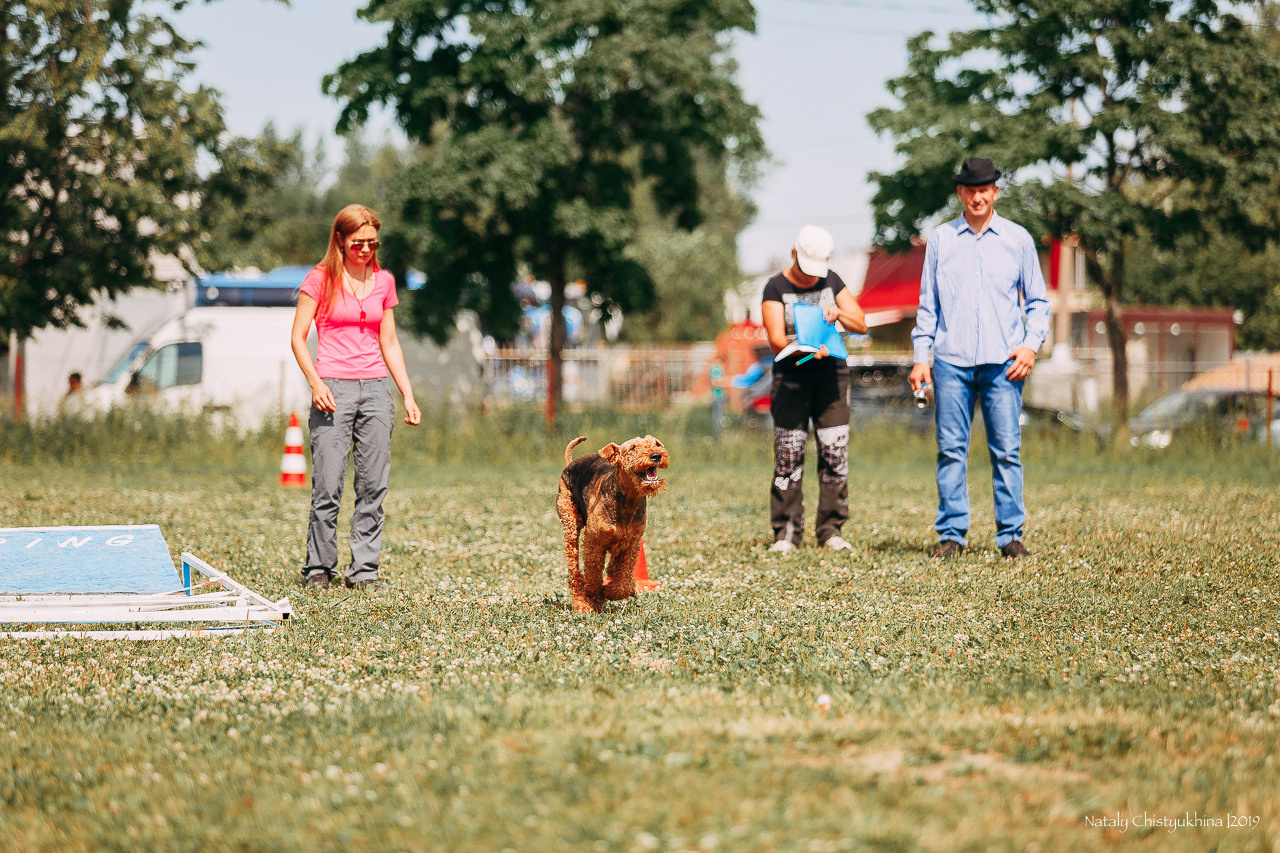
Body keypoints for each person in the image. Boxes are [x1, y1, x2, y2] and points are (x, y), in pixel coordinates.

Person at [908, 157, 1050, 559]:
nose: (977, 196)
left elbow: (1038, 302)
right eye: (970, 189)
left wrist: (1030, 345)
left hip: (1003, 362)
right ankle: (951, 535)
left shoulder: (1018, 239)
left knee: (1006, 450)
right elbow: (927, 306)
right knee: (951, 449)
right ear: (960, 193)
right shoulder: (940, 240)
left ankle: (1010, 537)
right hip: (950, 362)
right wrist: (922, 357)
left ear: (995, 192)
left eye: (984, 189)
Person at [290, 204, 422, 591]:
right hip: (333, 387)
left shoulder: (383, 281)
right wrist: (315, 382)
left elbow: (390, 341)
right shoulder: (319, 279)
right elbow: (298, 337)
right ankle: (319, 568)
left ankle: (364, 571)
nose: (366, 249)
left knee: (372, 487)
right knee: (328, 485)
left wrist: (407, 393)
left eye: (372, 243)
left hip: (376, 390)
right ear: (340, 240)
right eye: (358, 243)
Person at [761, 225, 868, 552]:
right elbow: (776, 338)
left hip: (831, 379)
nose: (811, 278)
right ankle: (787, 533)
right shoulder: (775, 287)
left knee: (834, 454)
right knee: (788, 457)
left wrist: (839, 313)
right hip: (791, 381)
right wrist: (807, 346)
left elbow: (861, 323)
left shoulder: (832, 280)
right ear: (794, 253)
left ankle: (831, 531)